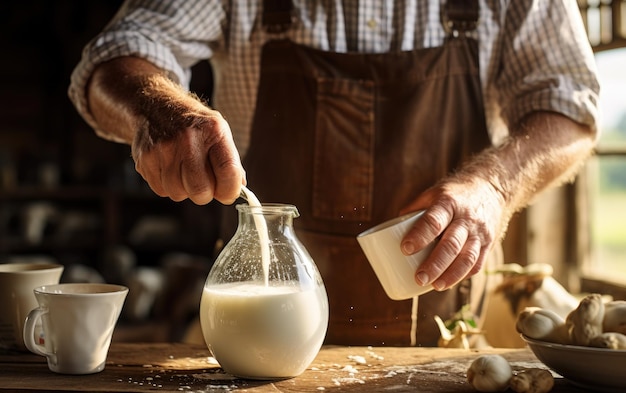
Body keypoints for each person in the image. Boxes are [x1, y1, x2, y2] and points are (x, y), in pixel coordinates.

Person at [69, 0, 599, 346]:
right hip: (254, 339)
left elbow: (571, 107)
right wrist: (159, 108)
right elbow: (118, 53)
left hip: (448, 330)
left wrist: (493, 185)